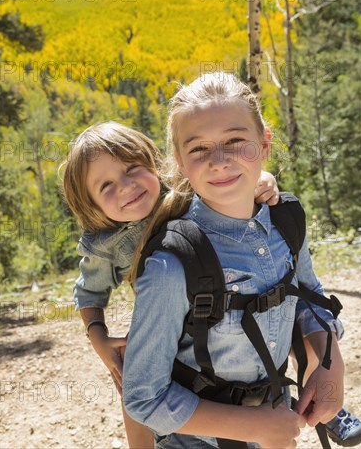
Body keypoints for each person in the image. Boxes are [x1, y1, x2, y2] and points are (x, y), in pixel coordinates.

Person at [122, 73, 346, 449]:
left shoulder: (285, 221)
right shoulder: (172, 263)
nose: (219, 161)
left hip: (275, 429)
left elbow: (309, 297)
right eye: (199, 149)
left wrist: (329, 365)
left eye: (235, 141)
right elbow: (144, 397)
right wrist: (255, 428)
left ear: (264, 144)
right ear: (180, 161)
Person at [61, 120, 281, 449]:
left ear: (155, 162)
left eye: (133, 167)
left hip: (227, 296)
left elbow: (231, 181)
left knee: (280, 307)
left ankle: (324, 402)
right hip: (166, 313)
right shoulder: (106, 244)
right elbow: (88, 292)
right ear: (92, 206)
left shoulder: (186, 190)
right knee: (136, 371)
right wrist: (100, 340)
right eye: (105, 186)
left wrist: (263, 179)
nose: (125, 186)